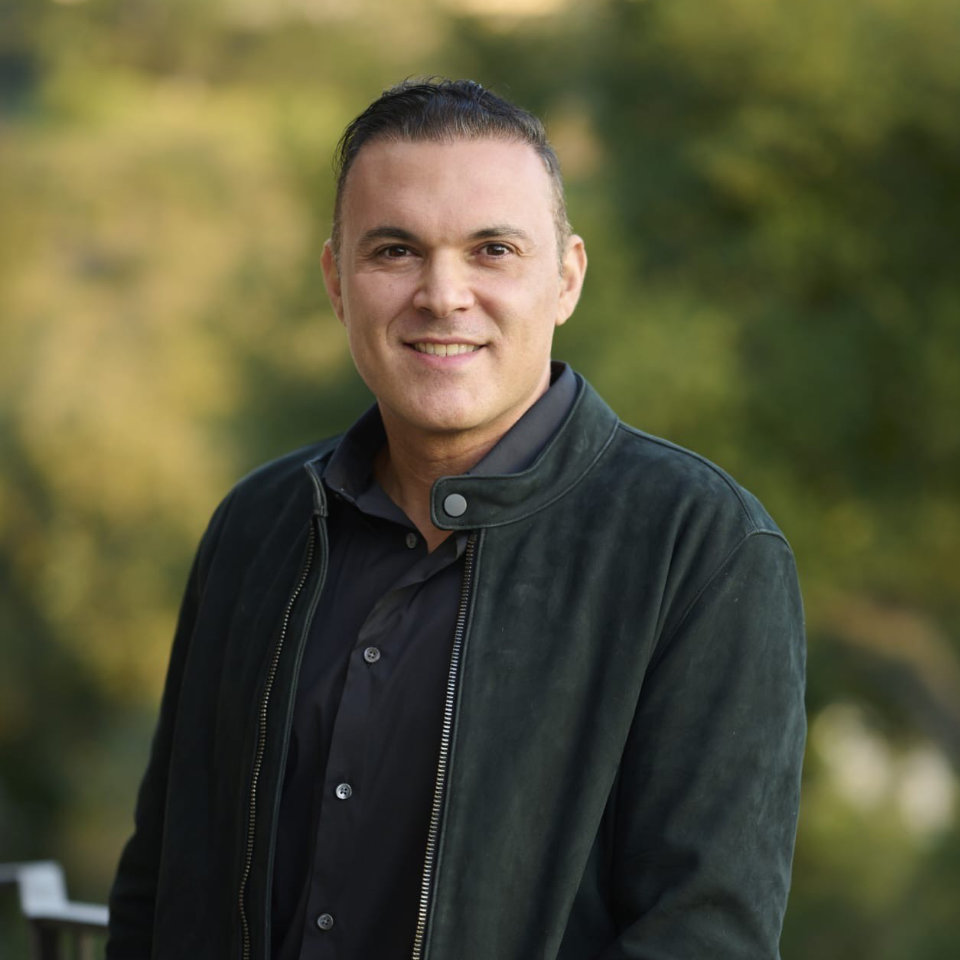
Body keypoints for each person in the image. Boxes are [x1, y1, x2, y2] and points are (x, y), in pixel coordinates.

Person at [106, 79, 806, 960]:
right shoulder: (257, 527)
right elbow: (161, 889)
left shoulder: (699, 549)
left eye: (493, 250)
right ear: (336, 280)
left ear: (566, 279)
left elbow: (702, 935)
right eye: (395, 250)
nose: (443, 294)